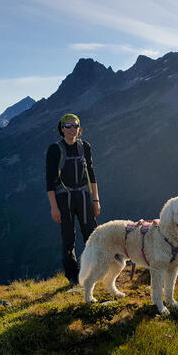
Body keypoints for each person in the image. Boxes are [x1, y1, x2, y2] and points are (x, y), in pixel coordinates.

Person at [45, 113, 101, 285]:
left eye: (75, 125)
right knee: (68, 237)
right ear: (61, 129)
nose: (72, 129)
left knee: (91, 234)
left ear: (79, 128)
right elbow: (50, 180)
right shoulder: (55, 149)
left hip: (83, 195)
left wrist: (96, 200)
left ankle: (94, 271)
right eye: (67, 126)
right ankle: (73, 277)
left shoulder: (85, 147)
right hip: (64, 197)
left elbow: (91, 173)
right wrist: (54, 207)